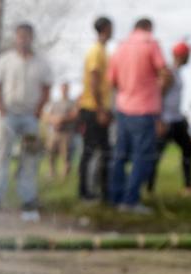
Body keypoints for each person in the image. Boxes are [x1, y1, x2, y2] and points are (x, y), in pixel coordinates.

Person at [0, 23, 52, 222]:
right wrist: (2, 109)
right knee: (1, 155)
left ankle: (28, 198)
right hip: (8, 115)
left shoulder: (41, 63)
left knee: (30, 158)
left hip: (30, 117)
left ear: (32, 38)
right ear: (15, 38)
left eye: (27, 36)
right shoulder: (4, 60)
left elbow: (46, 88)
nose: (23, 39)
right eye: (20, 35)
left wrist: (38, 111)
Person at [108, 18, 171, 214]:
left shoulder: (121, 46)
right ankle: (130, 201)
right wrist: (160, 92)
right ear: (149, 28)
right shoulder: (150, 43)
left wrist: (127, 91)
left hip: (123, 108)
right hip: (144, 110)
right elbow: (165, 73)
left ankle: (115, 197)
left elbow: (112, 80)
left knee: (120, 155)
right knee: (141, 157)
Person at [77, 16, 113, 202]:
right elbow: (93, 80)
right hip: (92, 110)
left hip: (99, 109)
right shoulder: (96, 51)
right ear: (106, 28)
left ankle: (103, 191)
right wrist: (100, 110)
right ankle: (85, 192)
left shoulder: (104, 51)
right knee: (90, 151)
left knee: (105, 151)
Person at [152, 42, 191, 196]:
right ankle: (149, 188)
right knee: (156, 155)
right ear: (180, 55)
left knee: (188, 148)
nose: (190, 57)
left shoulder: (177, 72)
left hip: (177, 119)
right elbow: (159, 96)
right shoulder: (169, 72)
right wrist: (159, 119)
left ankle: (189, 187)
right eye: (188, 54)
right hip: (166, 120)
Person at [44, 82, 76, 181]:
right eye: (62, 88)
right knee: (50, 152)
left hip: (66, 133)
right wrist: (54, 120)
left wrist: (62, 119)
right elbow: (46, 115)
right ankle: (51, 173)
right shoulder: (55, 103)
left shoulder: (72, 103)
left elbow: (75, 115)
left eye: (65, 88)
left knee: (66, 155)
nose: (64, 90)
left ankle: (64, 176)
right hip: (54, 132)